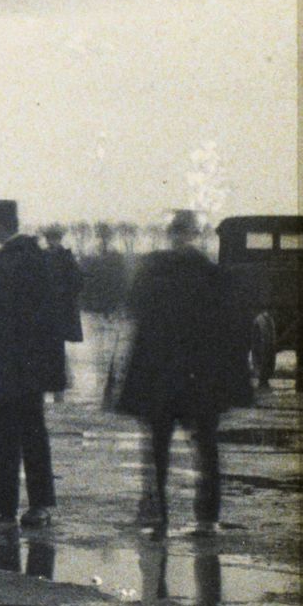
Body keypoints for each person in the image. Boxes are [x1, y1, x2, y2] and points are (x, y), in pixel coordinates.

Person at [114, 210, 253, 536]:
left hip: (164, 379)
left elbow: (137, 320)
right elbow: (229, 332)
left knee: (161, 449)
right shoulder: (209, 274)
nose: (180, 238)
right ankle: (204, 518)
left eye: (180, 232)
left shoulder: (154, 272)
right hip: (196, 381)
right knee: (201, 447)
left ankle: (160, 516)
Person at [0, 199, 67, 526]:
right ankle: (2, 501)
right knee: (3, 430)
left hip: (21, 366)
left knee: (29, 431)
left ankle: (40, 505)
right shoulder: (14, 257)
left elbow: (39, 317)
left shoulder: (26, 258)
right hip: (9, 365)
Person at [41, 224, 85, 402]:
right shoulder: (41, 257)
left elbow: (77, 282)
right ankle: (44, 394)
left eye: (55, 238)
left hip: (59, 313)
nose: (53, 242)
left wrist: (63, 293)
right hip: (43, 314)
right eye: (50, 238)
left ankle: (59, 395)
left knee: (57, 352)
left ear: (59, 239)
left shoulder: (67, 258)